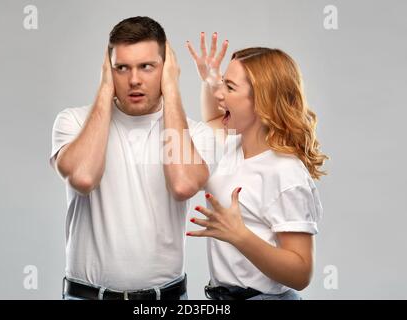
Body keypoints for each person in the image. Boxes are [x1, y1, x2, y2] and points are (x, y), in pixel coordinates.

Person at [49, 17, 213, 300]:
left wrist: (172, 90)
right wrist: (104, 89)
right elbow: (84, 178)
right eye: (121, 68)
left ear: (167, 68)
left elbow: (183, 185)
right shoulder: (73, 122)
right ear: (107, 70)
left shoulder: (194, 133)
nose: (134, 79)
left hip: (165, 300)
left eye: (146, 67)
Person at [186, 32, 328, 300]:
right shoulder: (232, 145)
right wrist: (209, 80)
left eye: (229, 87)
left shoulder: (285, 172)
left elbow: (301, 274)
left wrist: (240, 236)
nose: (219, 93)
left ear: (262, 101)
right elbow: (214, 118)